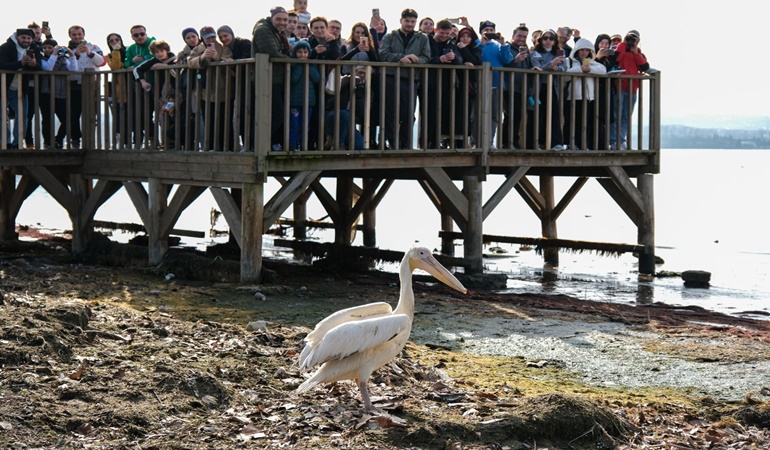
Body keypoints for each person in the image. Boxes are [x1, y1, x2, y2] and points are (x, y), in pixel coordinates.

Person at [378, 8, 430, 149]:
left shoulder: (422, 38)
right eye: (407, 21)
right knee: (389, 112)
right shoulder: (390, 36)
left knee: (408, 113)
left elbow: (426, 58)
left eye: (413, 21)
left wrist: (416, 59)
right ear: (401, 20)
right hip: (390, 77)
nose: (409, 24)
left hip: (410, 78)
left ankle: (405, 143)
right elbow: (382, 54)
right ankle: (392, 142)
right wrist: (400, 57)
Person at [252, 6, 291, 150]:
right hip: (267, 78)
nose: (282, 22)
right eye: (279, 19)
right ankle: (260, 144)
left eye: (285, 20)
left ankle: (271, 143)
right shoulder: (263, 30)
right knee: (276, 113)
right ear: (272, 18)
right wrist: (290, 59)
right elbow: (272, 53)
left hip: (275, 78)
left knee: (276, 113)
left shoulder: (277, 32)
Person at [188, 26, 233, 151]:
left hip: (223, 89)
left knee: (225, 119)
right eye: (208, 38)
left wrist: (218, 59)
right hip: (205, 91)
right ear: (203, 38)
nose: (211, 40)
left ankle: (227, 147)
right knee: (209, 120)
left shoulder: (223, 47)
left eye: (213, 37)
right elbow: (190, 62)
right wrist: (202, 58)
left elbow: (229, 60)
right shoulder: (198, 49)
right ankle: (211, 146)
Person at [65, 25, 105, 150]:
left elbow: (102, 62)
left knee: (92, 114)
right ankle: (75, 140)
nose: (77, 37)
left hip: (92, 85)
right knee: (74, 115)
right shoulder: (67, 50)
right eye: (74, 34)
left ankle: (90, 141)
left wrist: (89, 53)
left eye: (79, 34)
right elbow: (66, 67)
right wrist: (75, 54)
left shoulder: (94, 47)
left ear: (84, 35)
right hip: (74, 85)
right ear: (70, 36)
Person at [425, 19, 463, 149]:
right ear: (436, 30)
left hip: (447, 84)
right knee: (430, 114)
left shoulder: (451, 44)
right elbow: (424, 59)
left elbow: (460, 60)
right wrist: (439, 59)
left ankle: (437, 141)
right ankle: (428, 142)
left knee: (444, 114)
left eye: (447, 33)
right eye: (442, 33)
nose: (444, 36)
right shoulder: (428, 41)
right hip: (430, 83)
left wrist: (455, 58)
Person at [563, 38, 606, 150]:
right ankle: (570, 145)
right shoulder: (569, 61)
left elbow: (603, 70)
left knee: (586, 123)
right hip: (573, 97)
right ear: (577, 50)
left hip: (589, 98)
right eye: (582, 50)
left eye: (587, 50)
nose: (584, 53)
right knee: (572, 122)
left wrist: (588, 69)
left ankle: (583, 145)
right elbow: (565, 75)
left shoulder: (591, 63)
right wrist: (580, 69)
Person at [528, 28, 567, 150]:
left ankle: (556, 143)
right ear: (541, 40)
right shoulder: (534, 52)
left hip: (553, 87)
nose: (548, 41)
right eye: (545, 38)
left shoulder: (559, 52)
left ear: (555, 41)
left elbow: (564, 67)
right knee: (535, 114)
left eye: (551, 38)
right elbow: (537, 67)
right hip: (538, 87)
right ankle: (533, 143)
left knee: (554, 114)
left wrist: (556, 68)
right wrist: (551, 64)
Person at [0, 28, 39, 149]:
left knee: (23, 116)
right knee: (2, 117)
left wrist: (34, 65)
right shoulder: (6, 47)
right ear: (17, 37)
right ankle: (4, 142)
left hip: (21, 88)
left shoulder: (34, 49)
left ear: (32, 39)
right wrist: (20, 64)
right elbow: (1, 63)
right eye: (23, 37)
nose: (26, 40)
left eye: (28, 38)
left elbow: (40, 66)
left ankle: (17, 143)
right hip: (3, 87)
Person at [610, 30, 648, 150]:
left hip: (632, 89)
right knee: (616, 116)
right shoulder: (620, 48)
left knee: (626, 118)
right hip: (620, 87)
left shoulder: (639, 53)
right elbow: (615, 59)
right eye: (630, 38)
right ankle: (613, 141)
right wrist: (623, 44)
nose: (631, 41)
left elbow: (645, 67)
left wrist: (635, 52)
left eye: (634, 39)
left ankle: (621, 141)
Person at [477, 20, 513, 147]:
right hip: (479, 84)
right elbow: (475, 57)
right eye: (486, 30)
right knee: (477, 115)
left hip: (497, 84)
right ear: (481, 32)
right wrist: (481, 44)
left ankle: (489, 142)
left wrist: (503, 44)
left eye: (491, 31)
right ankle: (476, 142)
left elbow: (507, 60)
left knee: (494, 116)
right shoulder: (476, 43)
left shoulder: (498, 45)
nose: (489, 32)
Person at [218, 25, 253, 150]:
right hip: (237, 82)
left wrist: (233, 62)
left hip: (249, 82)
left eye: (225, 36)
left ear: (231, 34)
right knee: (239, 115)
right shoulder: (225, 49)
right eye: (220, 37)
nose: (223, 39)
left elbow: (247, 57)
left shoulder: (244, 43)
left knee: (247, 112)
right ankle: (243, 144)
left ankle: (249, 144)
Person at [39, 39, 78, 149]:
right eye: (45, 48)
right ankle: (48, 142)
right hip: (47, 93)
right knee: (47, 120)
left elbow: (73, 69)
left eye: (50, 48)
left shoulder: (63, 59)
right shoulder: (42, 59)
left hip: (62, 94)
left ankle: (58, 139)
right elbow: (48, 68)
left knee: (69, 120)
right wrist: (54, 54)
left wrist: (72, 55)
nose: (47, 50)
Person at [123, 24, 155, 147]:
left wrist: (135, 65)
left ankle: (155, 140)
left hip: (155, 84)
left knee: (153, 113)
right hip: (138, 86)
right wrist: (132, 61)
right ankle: (144, 140)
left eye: (142, 34)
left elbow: (153, 60)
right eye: (136, 35)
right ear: (132, 37)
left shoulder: (153, 44)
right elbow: (126, 64)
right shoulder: (131, 48)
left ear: (146, 34)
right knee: (141, 114)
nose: (140, 37)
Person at [502, 24, 531, 149]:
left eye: (524, 37)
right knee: (510, 115)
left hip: (521, 89)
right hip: (508, 88)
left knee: (518, 116)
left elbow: (528, 67)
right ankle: (507, 143)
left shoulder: (527, 51)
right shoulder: (507, 48)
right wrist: (516, 60)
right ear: (513, 36)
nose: (521, 39)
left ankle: (514, 142)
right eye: (519, 36)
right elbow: (503, 64)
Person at [288, 41, 320, 151]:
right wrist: (301, 66)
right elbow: (294, 79)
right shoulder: (293, 65)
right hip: (295, 101)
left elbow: (317, 79)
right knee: (294, 125)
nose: (303, 55)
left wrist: (308, 65)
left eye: (305, 52)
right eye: (300, 52)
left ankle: (302, 146)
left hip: (309, 101)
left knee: (305, 125)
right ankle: (291, 146)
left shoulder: (311, 65)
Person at [455, 26, 482, 146]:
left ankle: (469, 141)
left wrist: (464, 49)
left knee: (471, 114)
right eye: (462, 36)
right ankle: (456, 141)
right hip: (457, 84)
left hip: (472, 85)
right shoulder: (454, 47)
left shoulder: (476, 49)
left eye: (468, 36)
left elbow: (475, 61)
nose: (465, 39)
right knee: (458, 113)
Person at [593, 33, 616, 150]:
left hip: (608, 90)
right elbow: (591, 67)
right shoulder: (592, 55)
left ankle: (604, 144)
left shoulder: (610, 58)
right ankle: (595, 144)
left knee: (606, 118)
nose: (604, 46)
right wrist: (597, 57)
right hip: (596, 90)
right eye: (602, 43)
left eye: (607, 43)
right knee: (597, 116)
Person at [105, 33, 128, 147]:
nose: (114, 42)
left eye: (117, 39)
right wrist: (116, 51)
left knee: (134, 116)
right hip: (119, 91)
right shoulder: (109, 55)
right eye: (111, 41)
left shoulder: (129, 51)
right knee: (119, 117)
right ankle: (121, 142)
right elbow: (115, 66)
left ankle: (136, 140)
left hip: (132, 88)